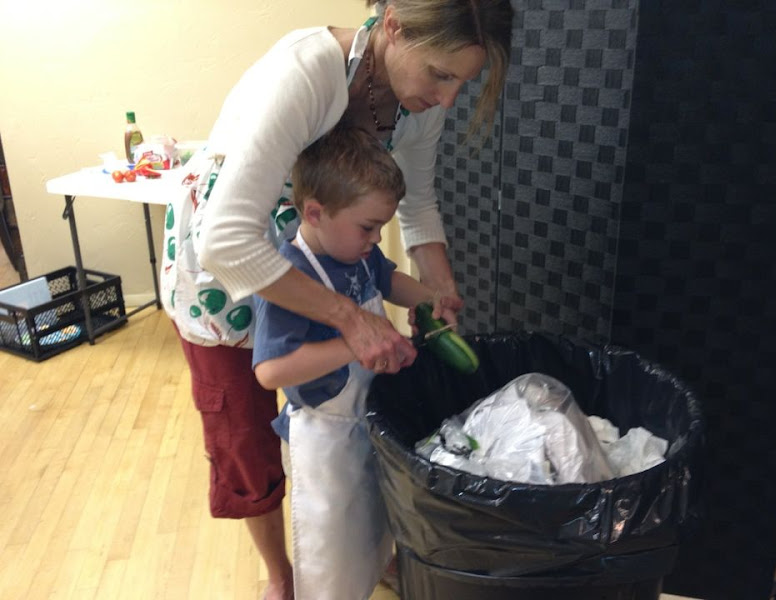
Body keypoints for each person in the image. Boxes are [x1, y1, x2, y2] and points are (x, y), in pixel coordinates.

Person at [159, 2, 512, 598]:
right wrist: (350, 319)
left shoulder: (418, 103)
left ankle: (362, 551)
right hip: (223, 263)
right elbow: (227, 241)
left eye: (462, 82)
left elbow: (419, 203)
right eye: (440, 75)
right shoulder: (305, 73)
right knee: (247, 439)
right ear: (394, 25)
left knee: (342, 424)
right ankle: (281, 574)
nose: (448, 99)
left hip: (322, 257)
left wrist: (439, 289)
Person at [252, 125, 444, 600]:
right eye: (368, 227)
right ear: (314, 213)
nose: (375, 239)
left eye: (381, 227)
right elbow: (271, 372)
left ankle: (375, 570)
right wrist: (353, 344)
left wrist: (430, 299)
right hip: (323, 440)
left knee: (371, 521)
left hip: (365, 418)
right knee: (333, 554)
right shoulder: (289, 277)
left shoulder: (356, 253)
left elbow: (389, 280)